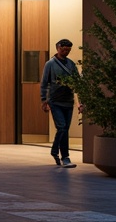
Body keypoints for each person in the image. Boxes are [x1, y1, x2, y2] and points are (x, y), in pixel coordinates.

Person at [41, 38, 82, 168]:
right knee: (62, 127)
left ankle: (60, 154)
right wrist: (44, 100)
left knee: (65, 130)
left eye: (68, 50)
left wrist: (80, 103)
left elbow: (78, 84)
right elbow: (44, 83)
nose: (66, 52)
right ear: (58, 48)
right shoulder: (50, 64)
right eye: (64, 49)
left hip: (68, 101)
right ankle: (61, 155)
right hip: (55, 101)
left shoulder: (71, 64)